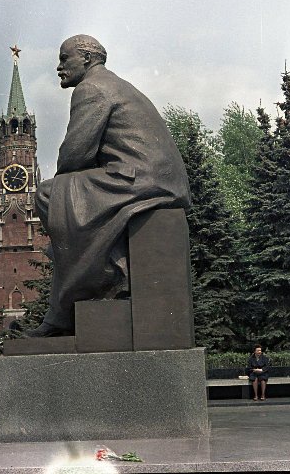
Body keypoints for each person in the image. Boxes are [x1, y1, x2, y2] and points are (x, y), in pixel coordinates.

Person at [27, 35, 191, 336]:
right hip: (151, 178)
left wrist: (70, 187)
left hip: (139, 180)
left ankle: (80, 294)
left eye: (65, 58)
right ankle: (105, 273)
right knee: (68, 202)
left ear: (87, 58)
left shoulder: (92, 88)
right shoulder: (115, 84)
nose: (59, 67)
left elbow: (75, 154)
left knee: (50, 194)